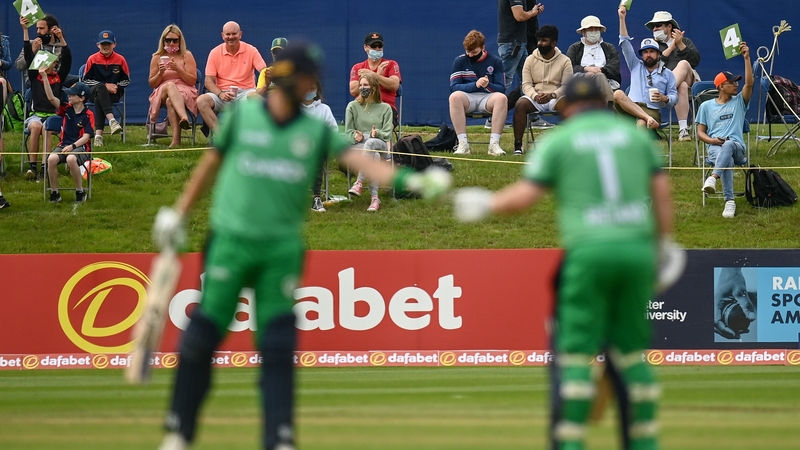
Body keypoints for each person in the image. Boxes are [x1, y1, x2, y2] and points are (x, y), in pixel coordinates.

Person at [152, 42, 450, 450]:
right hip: (231, 242)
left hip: (279, 250)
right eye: (303, 81)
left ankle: (279, 437)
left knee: (277, 344)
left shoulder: (313, 129)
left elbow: (362, 162)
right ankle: (179, 433)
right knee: (202, 335)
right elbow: (210, 166)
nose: (308, 87)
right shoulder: (245, 115)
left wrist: (413, 180)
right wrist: (178, 214)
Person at [453, 75, 684, 450]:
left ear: (568, 107)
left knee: (576, 355)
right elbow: (660, 191)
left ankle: (572, 442)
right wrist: (665, 243)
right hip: (637, 252)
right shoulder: (636, 138)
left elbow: (525, 196)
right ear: (605, 103)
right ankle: (645, 443)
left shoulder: (561, 140)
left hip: (589, 252)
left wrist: (486, 204)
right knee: (630, 355)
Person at [698, 42, 753, 219]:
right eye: (731, 83)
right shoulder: (706, 106)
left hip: (737, 148)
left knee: (729, 145)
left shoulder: (739, 102)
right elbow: (700, 132)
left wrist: (746, 58)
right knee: (726, 156)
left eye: (736, 83)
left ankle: (713, 177)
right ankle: (730, 202)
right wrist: (712, 141)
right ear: (721, 86)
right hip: (715, 148)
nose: (736, 85)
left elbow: (750, 84)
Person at [21, 15, 72, 181]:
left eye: (50, 62)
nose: (46, 64)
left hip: (53, 115)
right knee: (35, 127)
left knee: (47, 129)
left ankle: (45, 167)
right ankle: (32, 167)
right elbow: (28, 57)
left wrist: (61, 38)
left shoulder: (59, 77)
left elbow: (68, 58)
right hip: (36, 115)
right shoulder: (35, 76)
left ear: (55, 64)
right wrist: (25, 31)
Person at [511, 25, 572, 155]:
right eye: (539, 40)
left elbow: (567, 86)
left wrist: (553, 95)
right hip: (536, 98)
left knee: (568, 103)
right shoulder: (530, 60)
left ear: (553, 43)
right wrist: (535, 96)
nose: (540, 44)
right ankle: (518, 145)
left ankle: (569, 144)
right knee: (520, 104)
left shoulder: (565, 61)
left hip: (555, 97)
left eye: (544, 40)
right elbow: (526, 84)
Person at [613, 6, 677, 131]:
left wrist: (665, 98)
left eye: (652, 51)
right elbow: (625, 43)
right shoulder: (635, 65)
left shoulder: (667, 73)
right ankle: (647, 119)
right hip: (631, 107)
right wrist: (622, 18)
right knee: (618, 93)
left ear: (659, 54)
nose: (648, 54)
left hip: (652, 109)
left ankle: (646, 120)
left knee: (642, 123)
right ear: (641, 55)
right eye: (645, 52)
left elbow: (674, 97)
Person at [198, 21, 267, 136]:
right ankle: (222, 138)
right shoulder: (215, 53)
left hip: (246, 92)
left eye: (234, 34)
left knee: (257, 98)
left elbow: (264, 72)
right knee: (201, 101)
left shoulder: (251, 50)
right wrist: (220, 94)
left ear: (240, 34)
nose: (231, 37)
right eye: (228, 34)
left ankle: (259, 135)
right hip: (223, 95)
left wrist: (261, 88)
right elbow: (208, 81)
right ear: (222, 36)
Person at [449, 30, 508, 156]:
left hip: (487, 98)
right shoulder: (459, 61)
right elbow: (454, 87)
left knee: (502, 98)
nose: (470, 55)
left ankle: (494, 144)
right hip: (468, 98)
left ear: (483, 48)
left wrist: (488, 85)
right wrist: (475, 85)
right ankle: (463, 144)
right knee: (454, 97)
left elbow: (501, 88)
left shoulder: (495, 61)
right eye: (468, 52)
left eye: (474, 52)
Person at [645, 11, 701, 142]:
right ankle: (683, 130)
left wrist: (680, 44)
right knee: (681, 85)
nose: (654, 29)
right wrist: (671, 47)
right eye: (653, 27)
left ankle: (665, 91)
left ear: (669, 27)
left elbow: (695, 61)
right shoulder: (653, 45)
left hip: (686, 82)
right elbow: (653, 65)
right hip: (669, 83)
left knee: (683, 63)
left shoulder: (685, 41)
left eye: (658, 25)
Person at [345, 71, 393, 212]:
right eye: (360, 85)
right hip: (360, 146)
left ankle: (359, 182)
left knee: (372, 144)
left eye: (366, 85)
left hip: (380, 144)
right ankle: (374, 199)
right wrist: (354, 136)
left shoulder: (385, 108)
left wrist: (375, 133)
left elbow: (386, 134)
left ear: (374, 87)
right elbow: (347, 133)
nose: (362, 88)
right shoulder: (352, 106)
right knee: (374, 155)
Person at [40, 76, 93, 203]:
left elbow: (86, 137)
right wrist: (44, 77)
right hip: (64, 145)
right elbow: (51, 98)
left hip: (81, 148)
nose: (68, 96)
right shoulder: (66, 109)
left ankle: (80, 191)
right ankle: (54, 192)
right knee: (51, 158)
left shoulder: (88, 115)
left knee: (71, 158)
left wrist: (73, 147)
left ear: (82, 98)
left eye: (72, 95)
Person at [147, 24, 198, 148]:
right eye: (168, 40)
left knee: (171, 101)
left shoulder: (187, 55)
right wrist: (160, 73)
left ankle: (176, 141)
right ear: (163, 40)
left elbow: (192, 80)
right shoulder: (157, 57)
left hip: (184, 90)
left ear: (180, 41)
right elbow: (152, 83)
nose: (171, 43)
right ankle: (184, 117)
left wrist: (178, 69)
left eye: (175, 40)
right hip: (163, 89)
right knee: (170, 85)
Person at [83, 30, 130, 147]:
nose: (105, 47)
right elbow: (86, 80)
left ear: (114, 44)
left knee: (100, 99)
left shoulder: (120, 59)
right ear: (97, 45)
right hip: (94, 91)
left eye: (108, 44)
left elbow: (127, 80)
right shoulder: (92, 59)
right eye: (103, 44)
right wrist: (105, 86)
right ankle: (112, 121)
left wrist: (117, 86)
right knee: (100, 88)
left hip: (113, 94)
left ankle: (98, 136)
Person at [301, 78, 338, 212]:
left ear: (317, 90)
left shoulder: (324, 109)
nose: (310, 90)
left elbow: (333, 130)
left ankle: (316, 198)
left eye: (313, 88)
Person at [566, 15, 621, 103]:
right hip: (582, 81)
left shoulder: (609, 47)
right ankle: (610, 107)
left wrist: (599, 70)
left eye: (596, 29)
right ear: (583, 32)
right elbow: (568, 67)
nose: (594, 32)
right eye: (590, 29)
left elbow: (614, 67)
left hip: (606, 80)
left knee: (599, 76)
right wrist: (585, 69)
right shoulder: (575, 48)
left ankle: (608, 104)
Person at [348, 32, 401, 122]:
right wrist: (376, 76)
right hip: (363, 107)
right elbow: (353, 90)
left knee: (381, 129)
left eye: (379, 47)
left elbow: (394, 86)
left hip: (387, 107)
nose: (377, 49)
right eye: (373, 47)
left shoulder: (391, 64)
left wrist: (373, 75)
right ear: (365, 47)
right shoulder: (357, 67)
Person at [497, 0, 544, 91]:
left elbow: (521, 14)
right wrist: (533, 13)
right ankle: (492, 103)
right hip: (513, 43)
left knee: (528, 80)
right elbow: (520, 16)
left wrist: (533, 11)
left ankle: (527, 104)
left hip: (518, 42)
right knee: (504, 81)